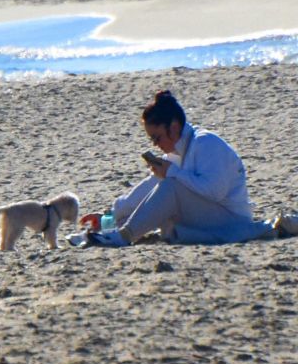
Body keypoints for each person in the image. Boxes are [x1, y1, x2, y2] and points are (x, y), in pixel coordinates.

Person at [89, 90, 273, 247]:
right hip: (205, 215)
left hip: (230, 220)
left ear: (174, 126)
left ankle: (124, 236)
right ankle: (110, 230)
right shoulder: (176, 151)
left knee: (170, 186)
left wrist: (173, 173)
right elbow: (150, 188)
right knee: (152, 195)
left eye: (157, 138)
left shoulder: (206, 143)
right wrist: (111, 214)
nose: (155, 144)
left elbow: (215, 191)